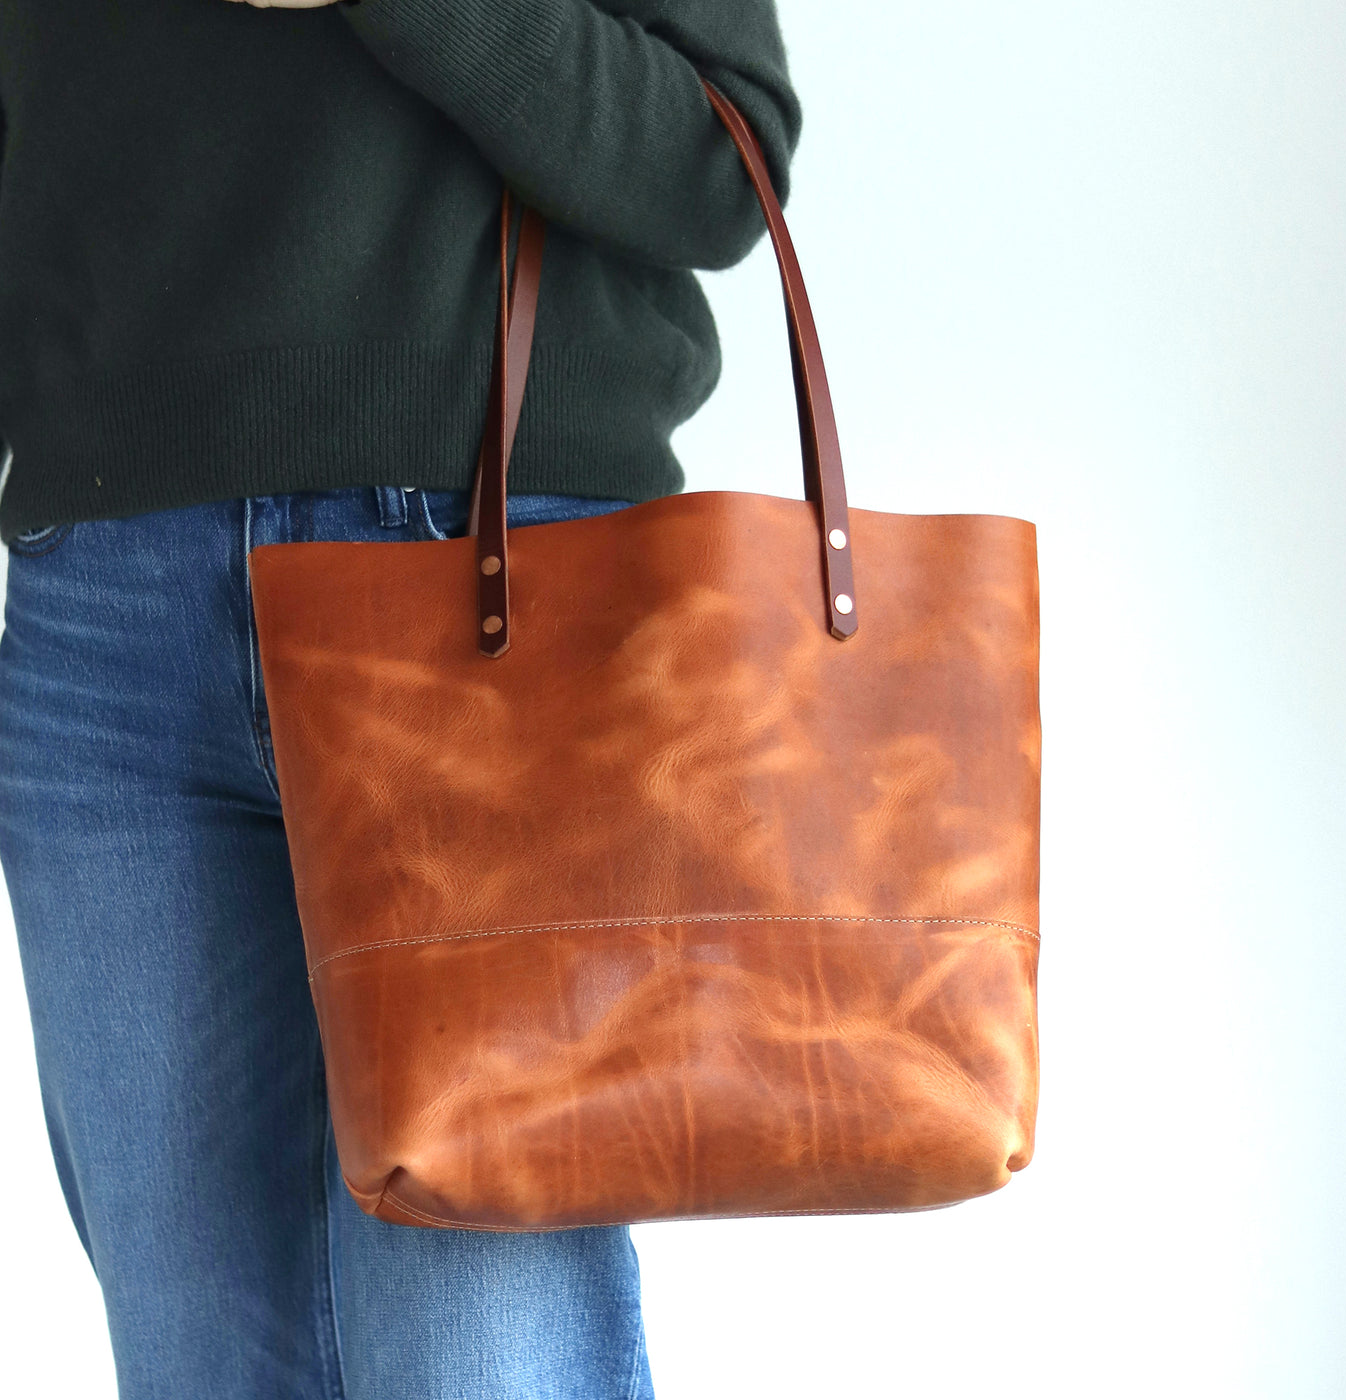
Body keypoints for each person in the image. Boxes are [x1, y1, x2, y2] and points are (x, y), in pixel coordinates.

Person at [0, 1, 801, 1395]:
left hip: (487, 583)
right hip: (107, 597)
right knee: (195, 1354)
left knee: (483, 1352)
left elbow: (716, 164)